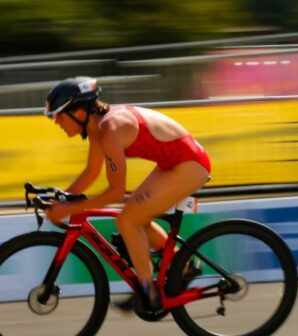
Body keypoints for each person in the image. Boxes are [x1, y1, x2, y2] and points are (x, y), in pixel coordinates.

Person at [43, 76, 211, 312]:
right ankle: (182, 266)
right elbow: (91, 173)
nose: (56, 123)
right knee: (136, 216)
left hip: (190, 165)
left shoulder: (111, 131)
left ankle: (146, 291)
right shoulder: (97, 129)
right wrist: (61, 199)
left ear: (79, 112)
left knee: (127, 220)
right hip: (174, 164)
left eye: (59, 116)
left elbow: (116, 192)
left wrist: (69, 208)